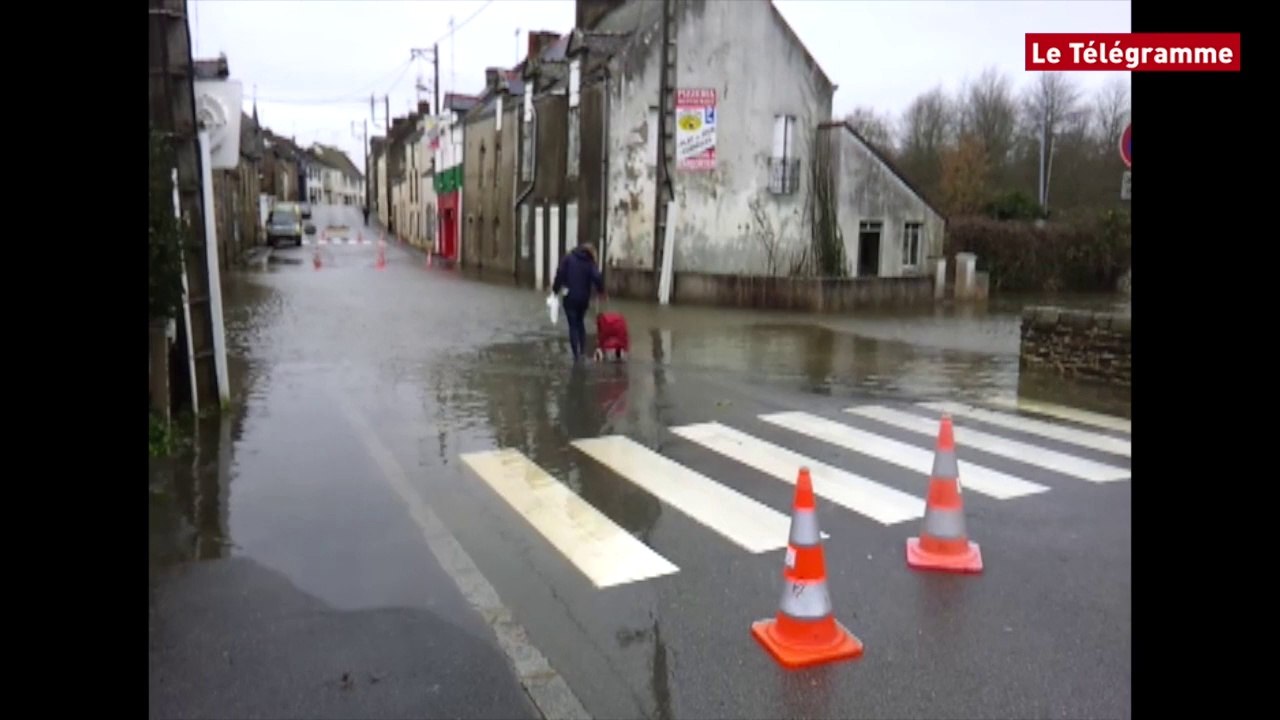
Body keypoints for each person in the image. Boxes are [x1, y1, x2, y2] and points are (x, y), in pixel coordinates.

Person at [552, 242, 605, 361]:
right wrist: (601, 291)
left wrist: (555, 290)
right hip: (583, 299)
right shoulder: (589, 262)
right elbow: (597, 277)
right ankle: (582, 351)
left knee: (573, 325)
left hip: (569, 297)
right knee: (580, 323)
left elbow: (560, 274)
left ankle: (576, 354)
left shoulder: (568, 258)